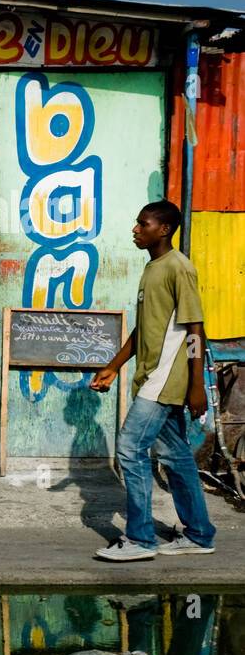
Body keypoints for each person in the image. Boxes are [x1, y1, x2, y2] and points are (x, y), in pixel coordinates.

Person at [90, 200, 216, 561]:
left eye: (142, 224)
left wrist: (196, 385)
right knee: (176, 456)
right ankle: (200, 535)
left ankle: (141, 540)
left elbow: (195, 329)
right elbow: (146, 328)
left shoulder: (179, 268)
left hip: (165, 379)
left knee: (130, 448)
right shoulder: (152, 269)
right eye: (136, 223)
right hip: (152, 377)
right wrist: (114, 366)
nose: (135, 229)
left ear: (163, 230)